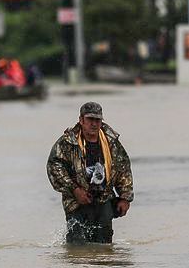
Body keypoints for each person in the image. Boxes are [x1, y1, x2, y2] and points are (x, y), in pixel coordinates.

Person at [46, 102, 134, 244]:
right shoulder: (67, 142)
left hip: (103, 199)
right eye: (90, 119)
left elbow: (123, 168)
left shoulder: (111, 142)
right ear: (81, 120)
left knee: (104, 249)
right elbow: (54, 166)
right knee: (77, 248)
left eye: (97, 120)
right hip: (76, 203)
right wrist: (74, 190)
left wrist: (125, 197)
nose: (94, 124)